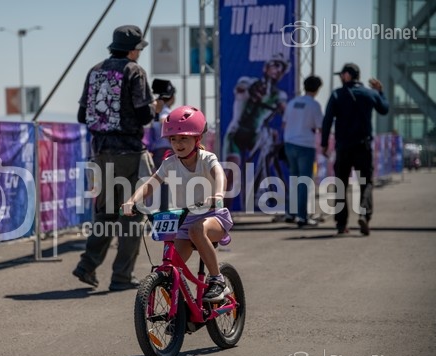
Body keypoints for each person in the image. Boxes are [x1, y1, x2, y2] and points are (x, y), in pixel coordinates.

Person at [73, 25, 163, 291]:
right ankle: (122, 276)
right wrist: (156, 107)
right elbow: (144, 116)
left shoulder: (95, 71)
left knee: (106, 214)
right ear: (134, 50)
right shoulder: (135, 71)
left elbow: (82, 115)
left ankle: (87, 266)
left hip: (101, 154)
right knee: (133, 215)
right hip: (129, 153)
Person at [122, 106, 234, 302]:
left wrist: (217, 194)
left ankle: (218, 280)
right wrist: (132, 201)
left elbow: (219, 175)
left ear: (197, 139)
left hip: (213, 216)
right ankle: (182, 310)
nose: (178, 143)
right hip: (184, 221)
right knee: (170, 268)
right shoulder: (170, 163)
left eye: (184, 138)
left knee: (197, 230)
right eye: (173, 139)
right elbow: (150, 184)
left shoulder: (206, 158)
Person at [321, 63, 389, 235]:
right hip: (363, 147)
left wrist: (324, 143)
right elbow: (384, 109)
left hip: (343, 147)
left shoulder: (337, 94)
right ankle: (364, 215)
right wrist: (380, 92)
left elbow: (327, 120)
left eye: (341, 75)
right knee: (366, 183)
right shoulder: (370, 93)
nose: (340, 78)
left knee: (341, 184)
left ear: (347, 75)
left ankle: (341, 224)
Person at [223, 53, 290, 209]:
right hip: (236, 133)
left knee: (268, 143)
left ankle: (262, 193)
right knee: (231, 174)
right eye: (275, 65)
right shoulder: (247, 81)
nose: (277, 70)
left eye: (281, 68)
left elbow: (286, 113)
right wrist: (251, 92)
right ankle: (223, 213)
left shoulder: (278, 95)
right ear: (266, 67)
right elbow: (241, 90)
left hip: (255, 136)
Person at [282, 75, 324, 227]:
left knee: (294, 179)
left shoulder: (292, 102)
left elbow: (284, 124)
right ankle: (302, 216)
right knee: (304, 182)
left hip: (289, 144)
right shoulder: (314, 105)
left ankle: (290, 212)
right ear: (317, 89)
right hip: (305, 145)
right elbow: (320, 126)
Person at [148, 78, 176, 210]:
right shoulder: (165, 110)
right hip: (165, 150)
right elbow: (164, 121)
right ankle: (163, 209)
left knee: (159, 180)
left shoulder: (155, 110)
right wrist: (173, 139)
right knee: (164, 181)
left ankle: (161, 208)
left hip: (156, 149)